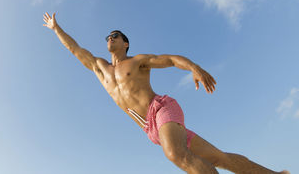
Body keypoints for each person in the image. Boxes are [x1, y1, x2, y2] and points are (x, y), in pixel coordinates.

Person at [43, 12, 289, 174]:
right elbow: (75, 50)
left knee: (175, 154)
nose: (110, 38)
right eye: (107, 37)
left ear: (125, 43)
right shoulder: (100, 67)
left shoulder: (137, 61)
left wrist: (194, 67)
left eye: (115, 35)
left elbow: (169, 59)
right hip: (152, 129)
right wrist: (56, 28)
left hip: (161, 109)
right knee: (218, 158)